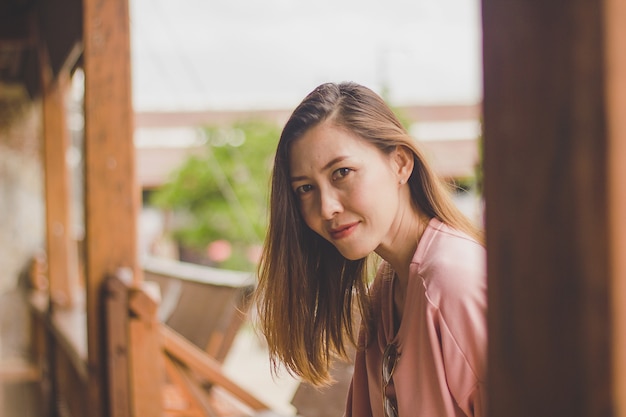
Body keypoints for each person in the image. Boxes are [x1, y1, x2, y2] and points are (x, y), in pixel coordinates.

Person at [254, 82, 487, 417]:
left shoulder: (453, 282)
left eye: (342, 172)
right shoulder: (389, 286)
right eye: (305, 188)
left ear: (401, 164)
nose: (326, 208)